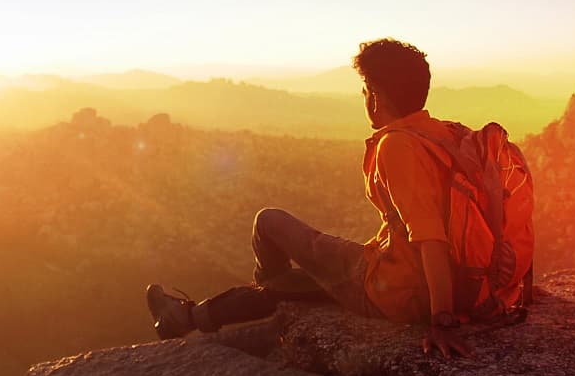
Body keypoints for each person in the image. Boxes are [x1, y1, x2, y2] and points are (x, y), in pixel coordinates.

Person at [146, 38, 474, 358]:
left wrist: (441, 320)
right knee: (310, 280)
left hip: (395, 291)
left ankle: (260, 296)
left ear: (375, 96)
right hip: (444, 283)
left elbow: (431, 237)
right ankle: (189, 317)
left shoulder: (397, 146)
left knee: (268, 222)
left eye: (365, 91)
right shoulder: (445, 135)